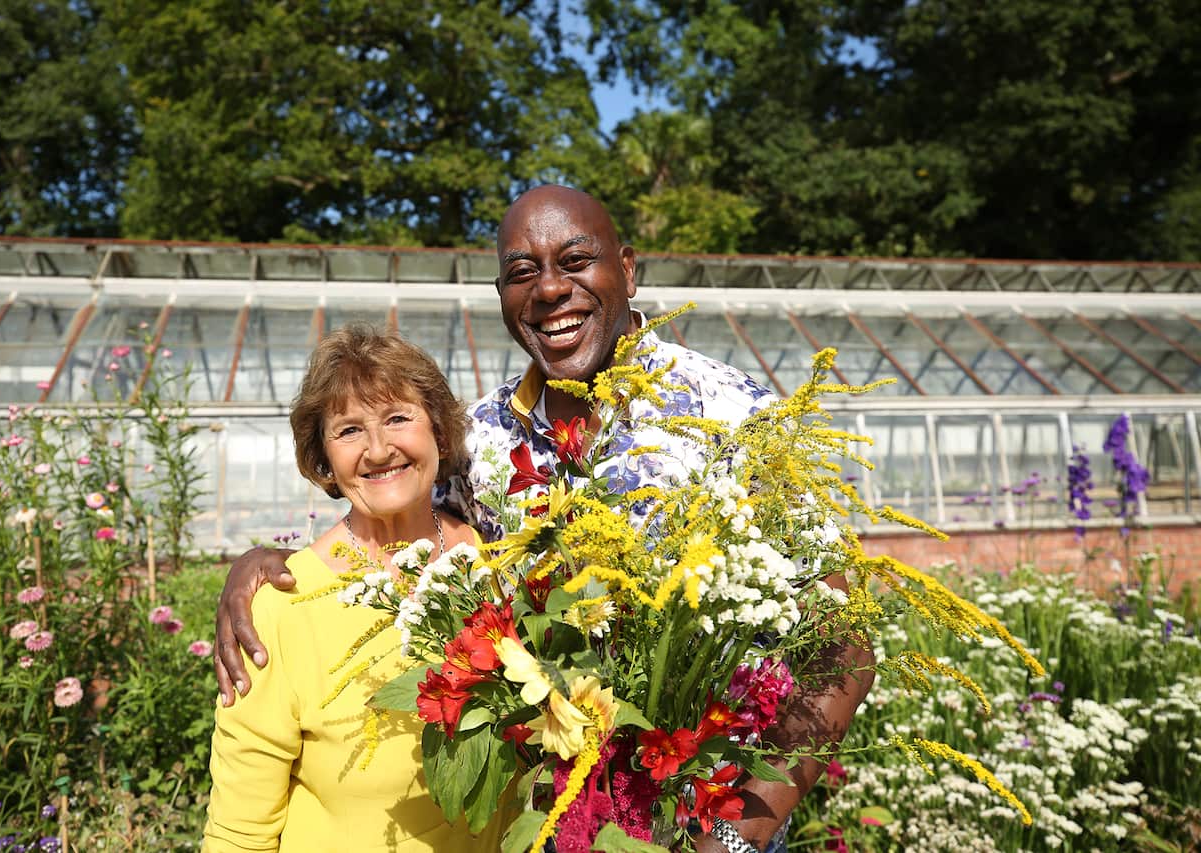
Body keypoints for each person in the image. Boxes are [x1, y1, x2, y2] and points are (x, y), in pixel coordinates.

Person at [214, 186, 874, 853]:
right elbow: (387, 502)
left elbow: (844, 644)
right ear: (502, 295)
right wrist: (261, 567)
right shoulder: (481, 440)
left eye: (576, 260)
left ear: (629, 268)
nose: (551, 289)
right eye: (523, 272)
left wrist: (734, 837)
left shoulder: (732, 415)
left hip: (704, 824)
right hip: (552, 828)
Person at [203, 327, 505, 851]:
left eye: (397, 418)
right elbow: (239, 831)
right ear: (323, 458)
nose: (378, 449)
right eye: (348, 431)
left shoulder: (493, 564)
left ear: (438, 428)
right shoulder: (283, 606)